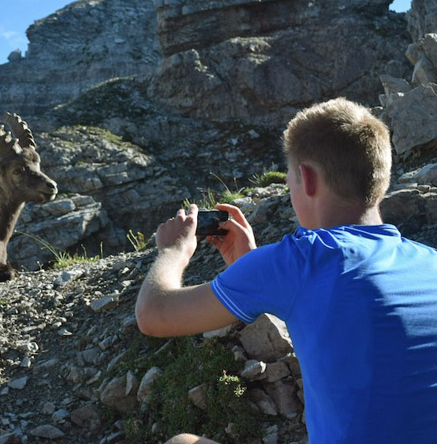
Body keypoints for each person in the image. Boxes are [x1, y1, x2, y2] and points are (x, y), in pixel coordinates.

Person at [135, 98, 437, 444]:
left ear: (306, 179)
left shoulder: (303, 259)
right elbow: (343, 331)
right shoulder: (429, 261)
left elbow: (153, 314)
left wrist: (173, 251)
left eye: (289, 179)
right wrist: (248, 265)